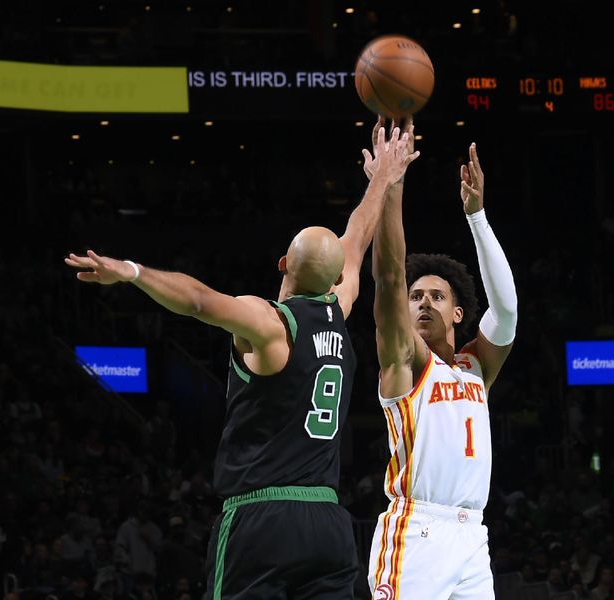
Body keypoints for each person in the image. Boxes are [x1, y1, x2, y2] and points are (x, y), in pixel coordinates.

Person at [65, 127, 418, 599]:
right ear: (336, 278)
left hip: (261, 519)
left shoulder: (272, 324)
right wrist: (384, 178)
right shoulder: (340, 306)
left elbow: (197, 301)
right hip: (329, 523)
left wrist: (131, 272)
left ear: (281, 265)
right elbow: (356, 237)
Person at [364, 118, 518, 599]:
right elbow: (388, 278)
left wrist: (477, 217)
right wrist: (392, 187)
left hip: (472, 536)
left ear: (457, 312)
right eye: (416, 297)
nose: (423, 302)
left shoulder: (476, 367)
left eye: (435, 295)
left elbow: (508, 309)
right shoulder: (405, 362)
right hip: (417, 533)